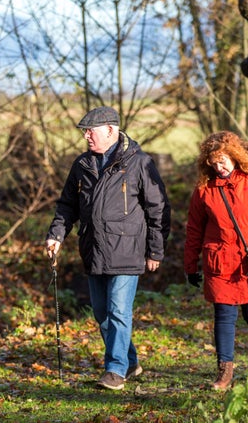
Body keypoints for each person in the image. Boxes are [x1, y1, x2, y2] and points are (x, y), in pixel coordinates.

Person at [46, 106, 171, 391]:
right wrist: (56, 234)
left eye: (91, 130)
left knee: (117, 310)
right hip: (93, 249)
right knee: (102, 314)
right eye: (84, 131)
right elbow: (68, 206)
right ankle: (129, 361)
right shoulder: (81, 165)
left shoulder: (139, 163)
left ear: (111, 130)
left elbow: (158, 209)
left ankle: (114, 371)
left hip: (128, 250)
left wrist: (155, 250)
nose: (87, 136)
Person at [183, 131, 248, 390]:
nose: (218, 167)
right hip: (220, 263)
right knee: (224, 315)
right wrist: (190, 265)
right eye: (213, 162)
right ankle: (224, 372)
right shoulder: (204, 190)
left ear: (235, 156)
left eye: (223, 161)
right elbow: (194, 228)